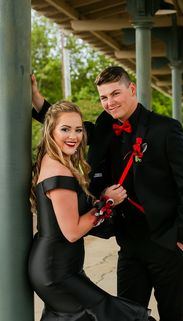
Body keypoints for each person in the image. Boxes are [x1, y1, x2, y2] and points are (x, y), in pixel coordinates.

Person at [31, 66, 183, 321]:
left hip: (167, 242)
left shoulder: (165, 129)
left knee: (172, 314)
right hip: (129, 244)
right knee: (127, 314)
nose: (109, 103)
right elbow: (65, 125)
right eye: (104, 97)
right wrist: (36, 98)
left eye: (115, 94)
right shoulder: (105, 125)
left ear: (131, 89)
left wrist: (182, 236)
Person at [28, 100, 149, 321]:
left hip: (61, 266)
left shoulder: (55, 157)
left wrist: (36, 97)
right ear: (51, 131)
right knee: (115, 315)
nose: (73, 136)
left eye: (78, 129)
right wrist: (106, 202)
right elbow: (72, 231)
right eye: (65, 129)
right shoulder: (59, 172)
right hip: (57, 271)